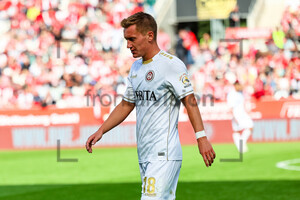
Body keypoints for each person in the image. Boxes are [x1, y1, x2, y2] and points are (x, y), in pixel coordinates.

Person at [86, 12, 216, 200]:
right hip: (145, 153)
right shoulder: (136, 68)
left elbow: (190, 101)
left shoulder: (170, 65)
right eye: (126, 40)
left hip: (163, 152)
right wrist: (101, 130)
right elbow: (126, 104)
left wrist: (201, 138)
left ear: (149, 35)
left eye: (132, 39)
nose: (128, 45)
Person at [227, 81, 253, 153]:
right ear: (235, 85)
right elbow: (231, 107)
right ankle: (240, 146)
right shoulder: (232, 94)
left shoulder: (240, 93)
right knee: (237, 130)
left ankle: (241, 142)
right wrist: (234, 117)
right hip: (236, 115)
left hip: (242, 114)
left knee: (250, 126)